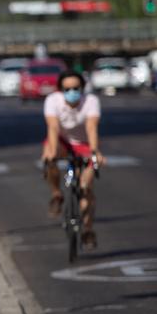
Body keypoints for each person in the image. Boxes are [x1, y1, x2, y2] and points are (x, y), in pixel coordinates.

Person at [41, 70, 103, 250]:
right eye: (67, 89)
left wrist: (94, 151)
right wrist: (52, 151)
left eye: (76, 88)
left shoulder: (91, 102)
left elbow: (91, 127)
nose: (72, 92)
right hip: (62, 141)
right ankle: (56, 194)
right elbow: (52, 127)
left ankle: (88, 230)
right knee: (48, 157)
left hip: (84, 143)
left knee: (86, 187)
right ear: (60, 89)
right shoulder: (53, 100)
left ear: (83, 88)